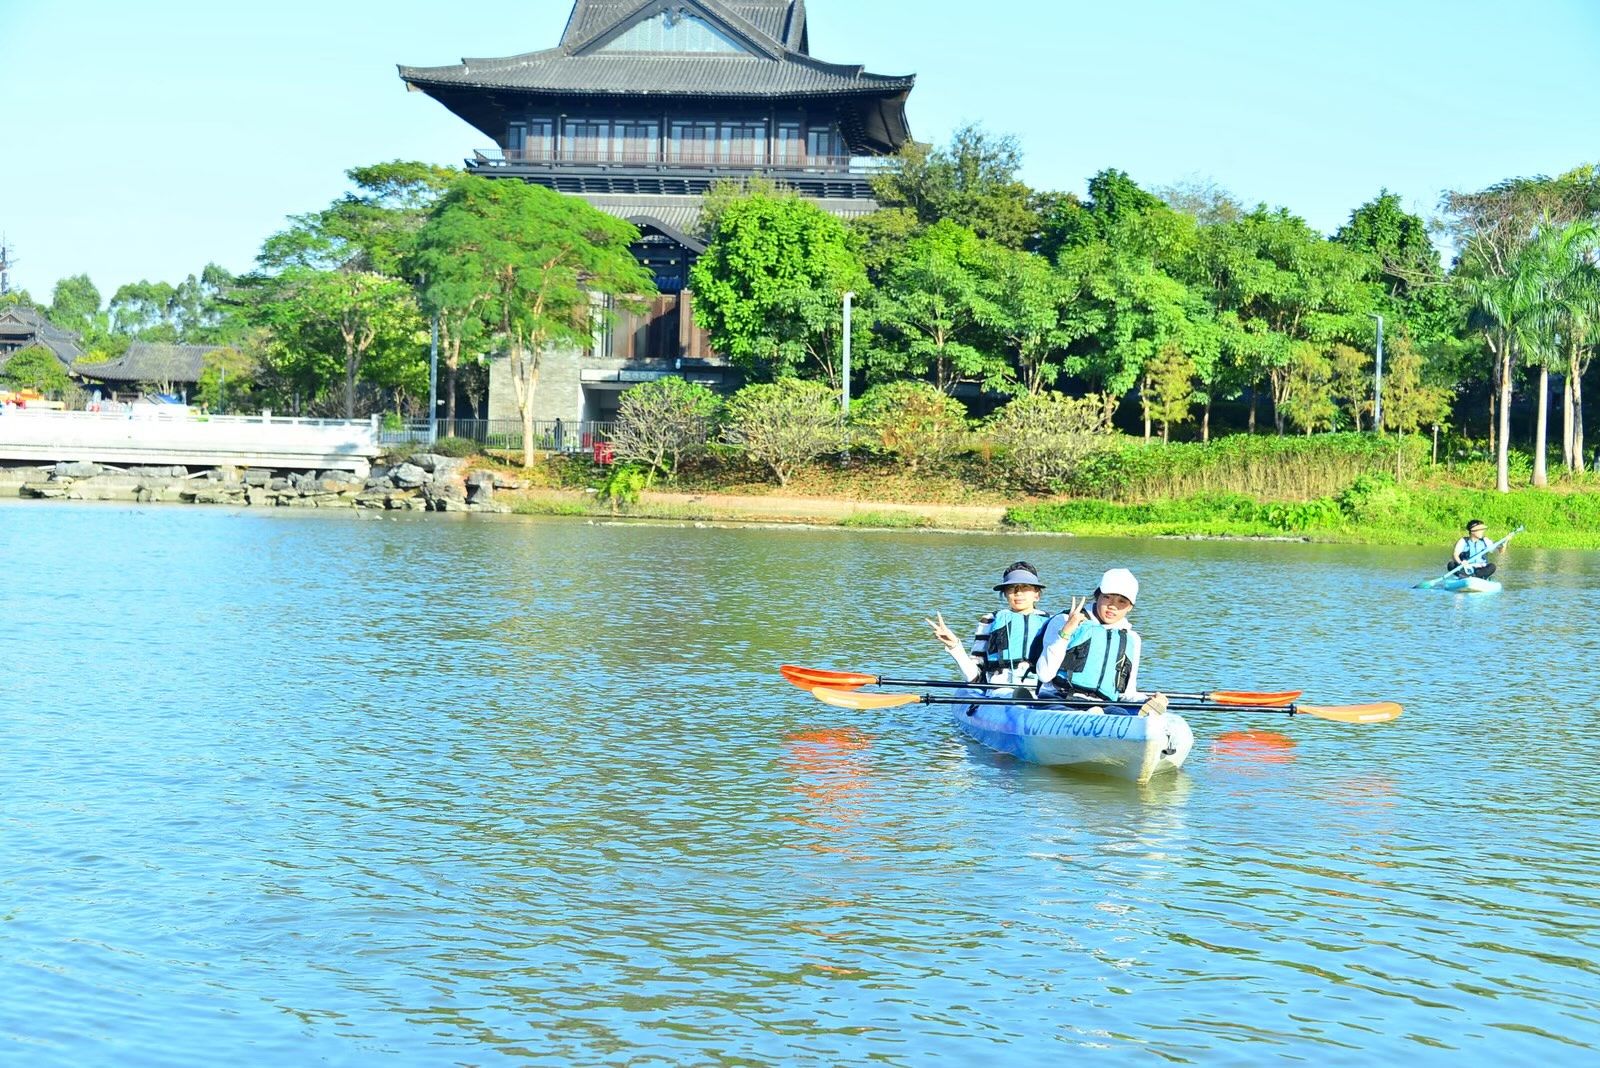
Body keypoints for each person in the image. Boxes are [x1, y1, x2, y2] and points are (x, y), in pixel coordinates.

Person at [1036, 567, 1168, 717]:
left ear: (1130, 607)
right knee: (1086, 713)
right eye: (1107, 597)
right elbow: (1044, 674)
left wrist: (1149, 700)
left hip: (1104, 706)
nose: (1113, 606)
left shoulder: (1132, 639)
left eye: (1122, 601)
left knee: (1120, 713)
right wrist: (1066, 632)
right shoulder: (1065, 620)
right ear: (1097, 595)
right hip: (1058, 700)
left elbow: (1127, 693)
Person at [927, 562, 1052, 685]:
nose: (1018, 593)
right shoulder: (990, 620)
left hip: (1041, 694)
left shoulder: (1051, 622)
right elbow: (974, 676)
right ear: (1004, 594)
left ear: (1037, 594)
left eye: (1025, 587)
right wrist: (954, 646)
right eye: (1012, 588)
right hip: (1000, 692)